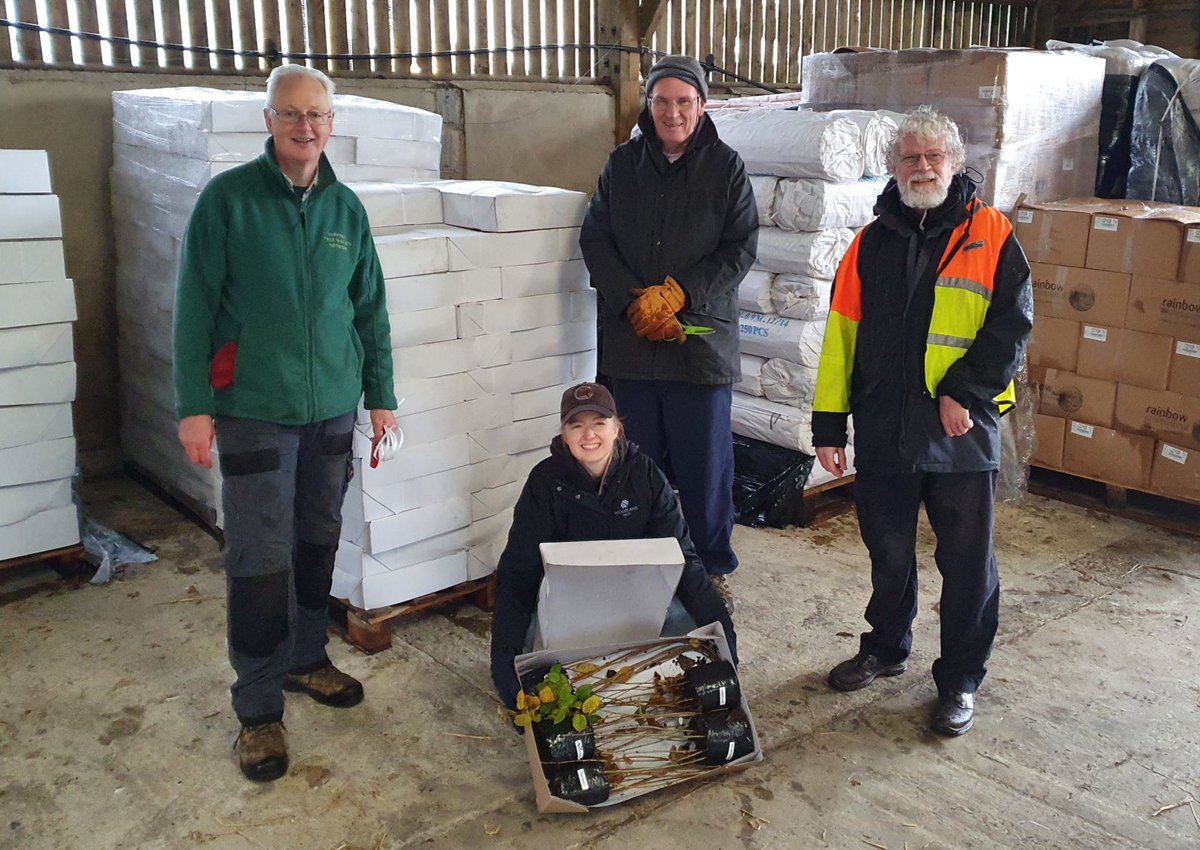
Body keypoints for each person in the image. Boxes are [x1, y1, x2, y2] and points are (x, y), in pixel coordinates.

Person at [173, 64, 398, 781]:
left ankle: (307, 658)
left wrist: (380, 394)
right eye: (292, 113)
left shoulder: (345, 211)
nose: (306, 126)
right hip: (254, 413)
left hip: (331, 405)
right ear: (268, 121)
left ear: (332, 124)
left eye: (318, 115)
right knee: (260, 557)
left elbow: (370, 311)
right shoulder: (228, 202)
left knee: (316, 541)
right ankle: (259, 706)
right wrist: (193, 407)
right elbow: (193, 312)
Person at [811, 106, 1033, 737]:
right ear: (894, 167)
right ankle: (885, 647)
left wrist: (964, 390)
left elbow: (1012, 328)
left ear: (956, 164)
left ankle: (960, 678)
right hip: (885, 428)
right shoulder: (868, 242)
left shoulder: (991, 233)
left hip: (961, 432)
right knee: (887, 551)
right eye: (910, 156)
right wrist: (829, 426)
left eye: (934, 156)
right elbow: (840, 341)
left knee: (966, 565)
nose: (923, 166)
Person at [579, 54, 758, 613]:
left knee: (705, 467)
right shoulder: (623, 165)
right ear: (648, 107)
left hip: (698, 345)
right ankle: (643, 567)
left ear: (701, 107)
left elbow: (741, 247)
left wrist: (680, 293)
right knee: (636, 466)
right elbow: (595, 238)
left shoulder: (725, 168)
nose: (673, 112)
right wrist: (632, 299)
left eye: (684, 102)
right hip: (633, 347)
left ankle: (712, 568)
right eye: (662, 101)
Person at [489, 382, 738, 709]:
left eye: (599, 424)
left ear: (617, 428)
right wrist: (504, 657)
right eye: (576, 425)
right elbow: (518, 569)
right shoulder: (545, 482)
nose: (588, 435)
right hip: (567, 604)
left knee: (693, 637)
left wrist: (725, 639)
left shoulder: (646, 475)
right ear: (564, 435)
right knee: (533, 664)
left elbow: (684, 558)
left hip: (636, 600)